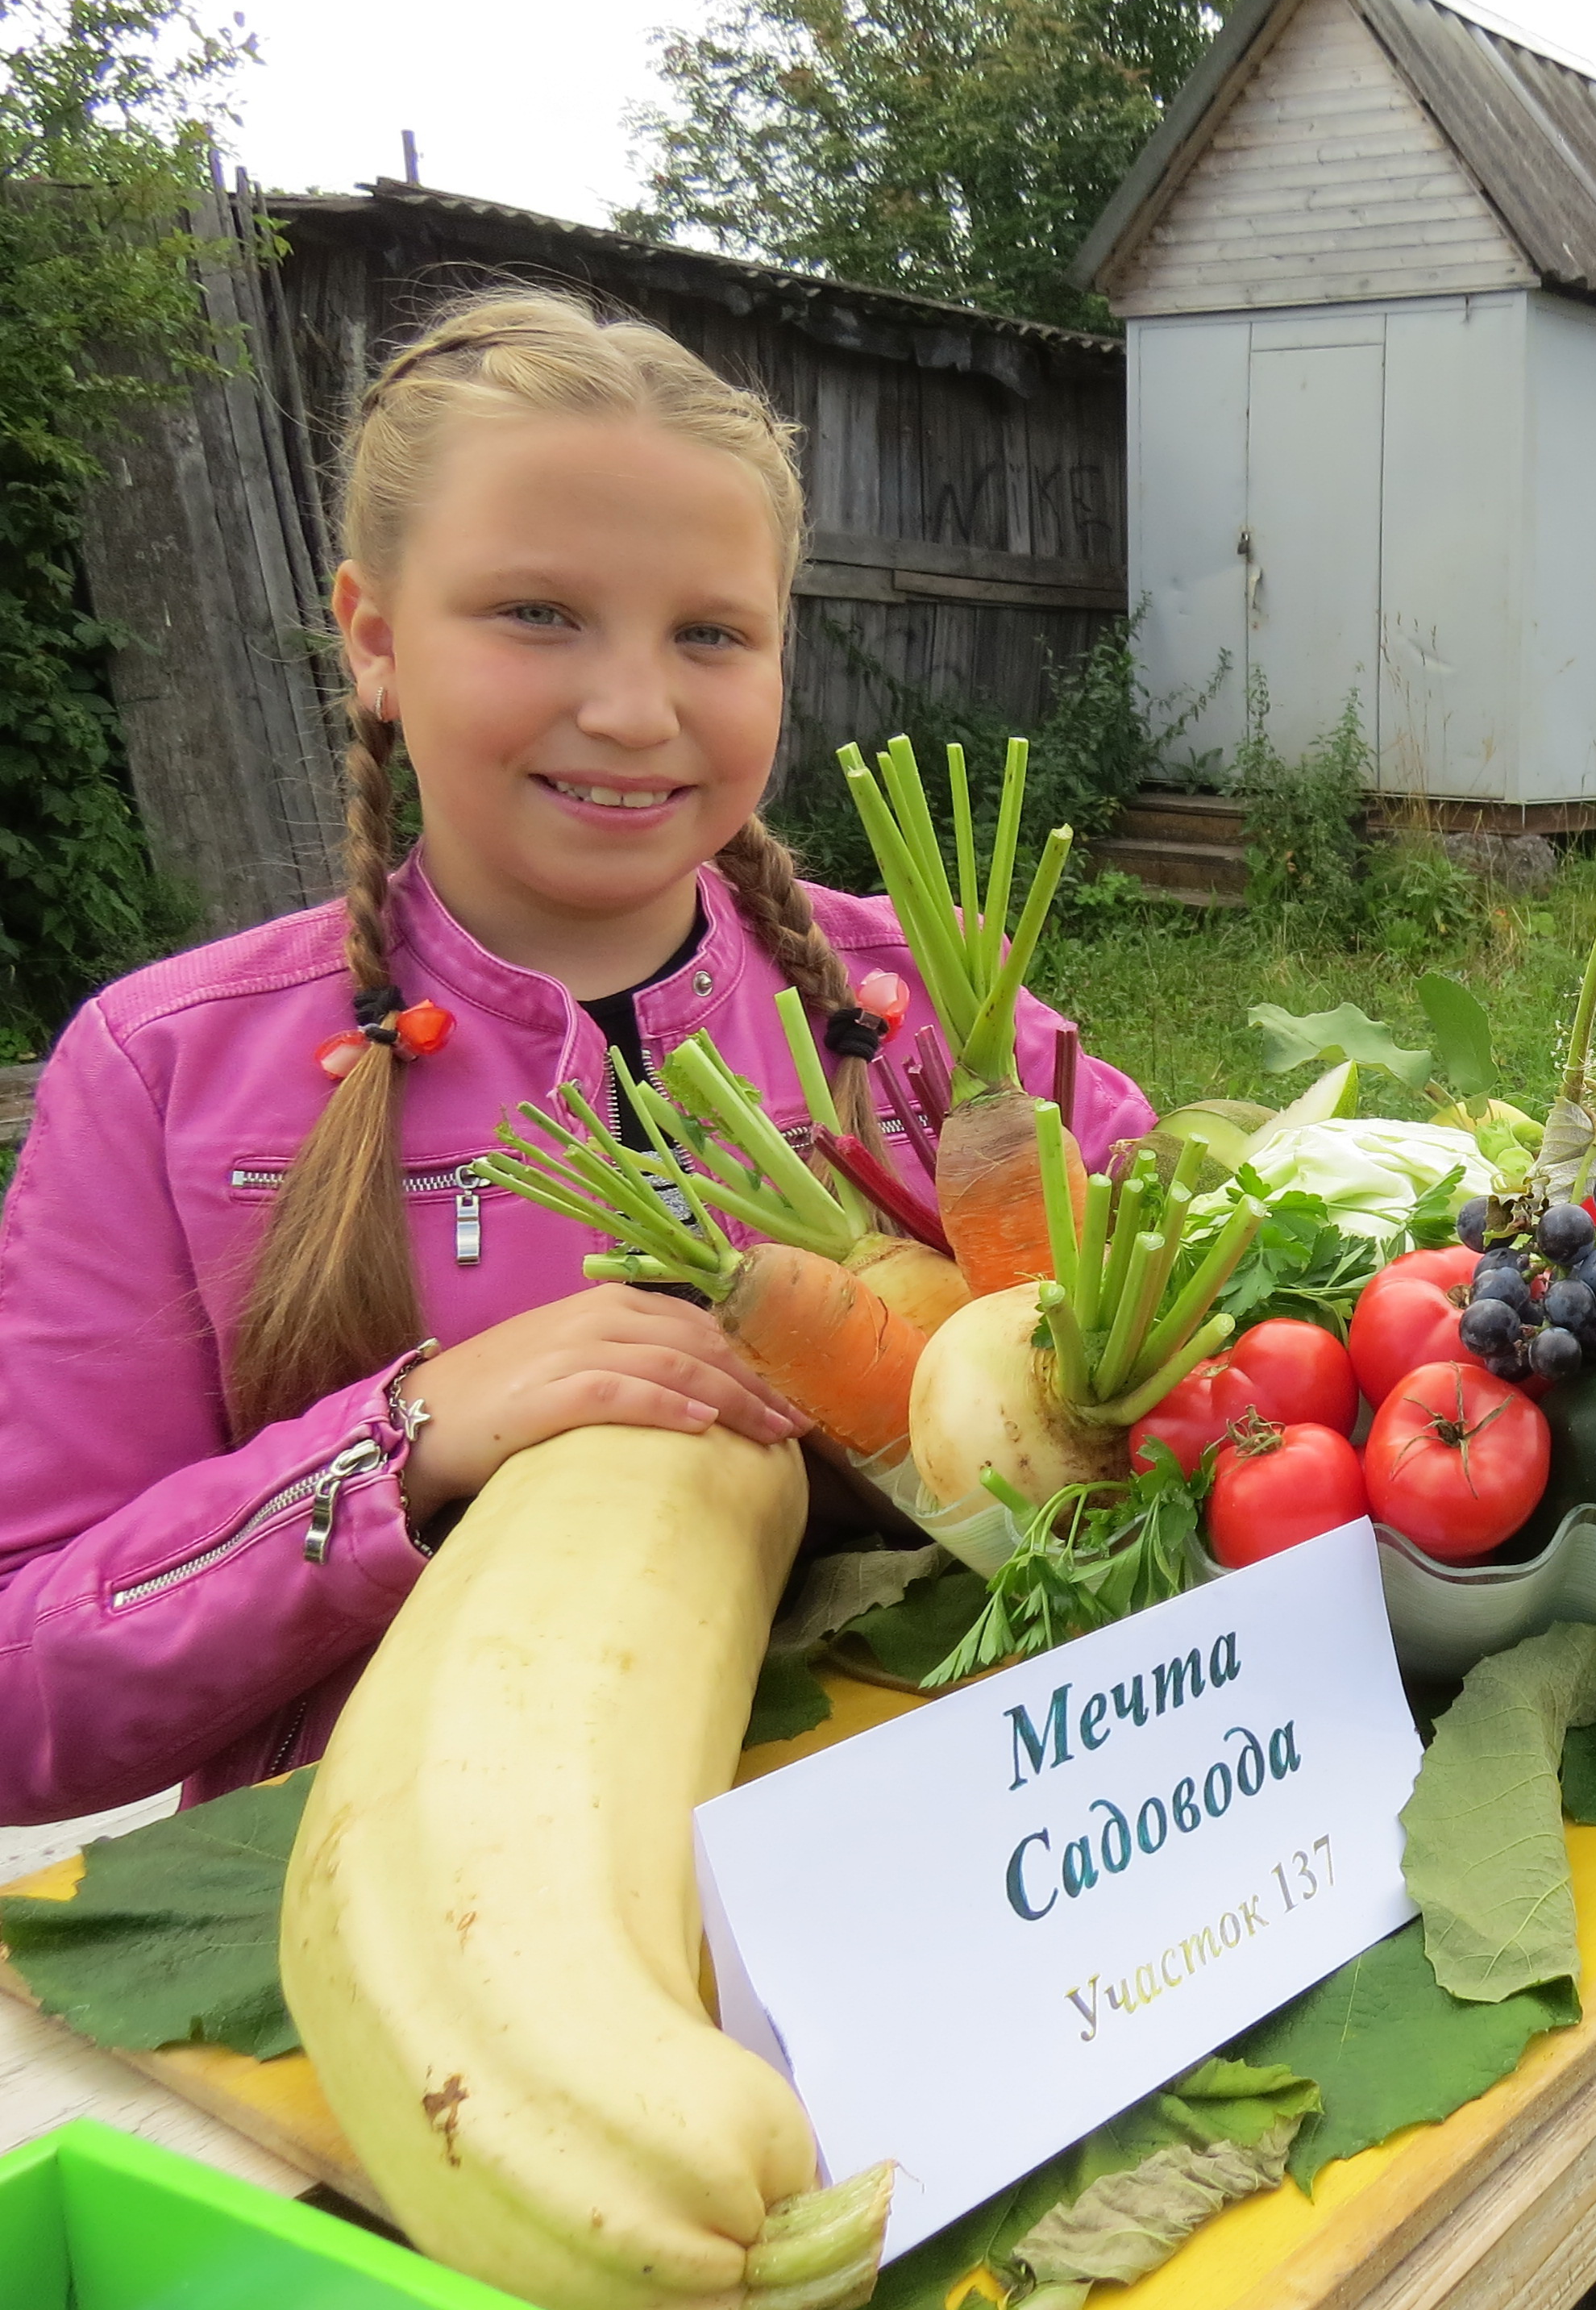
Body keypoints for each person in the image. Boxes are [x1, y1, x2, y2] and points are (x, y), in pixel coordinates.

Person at [0, 290, 1153, 1823]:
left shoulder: (918, 1000)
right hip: (424, 1923)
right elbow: (26, 1697)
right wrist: (398, 1445)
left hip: (929, 1854)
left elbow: (1210, 1316)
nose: (631, 709)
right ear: (376, 639)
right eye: (538, 614)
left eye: (712, 634)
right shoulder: (162, 1076)